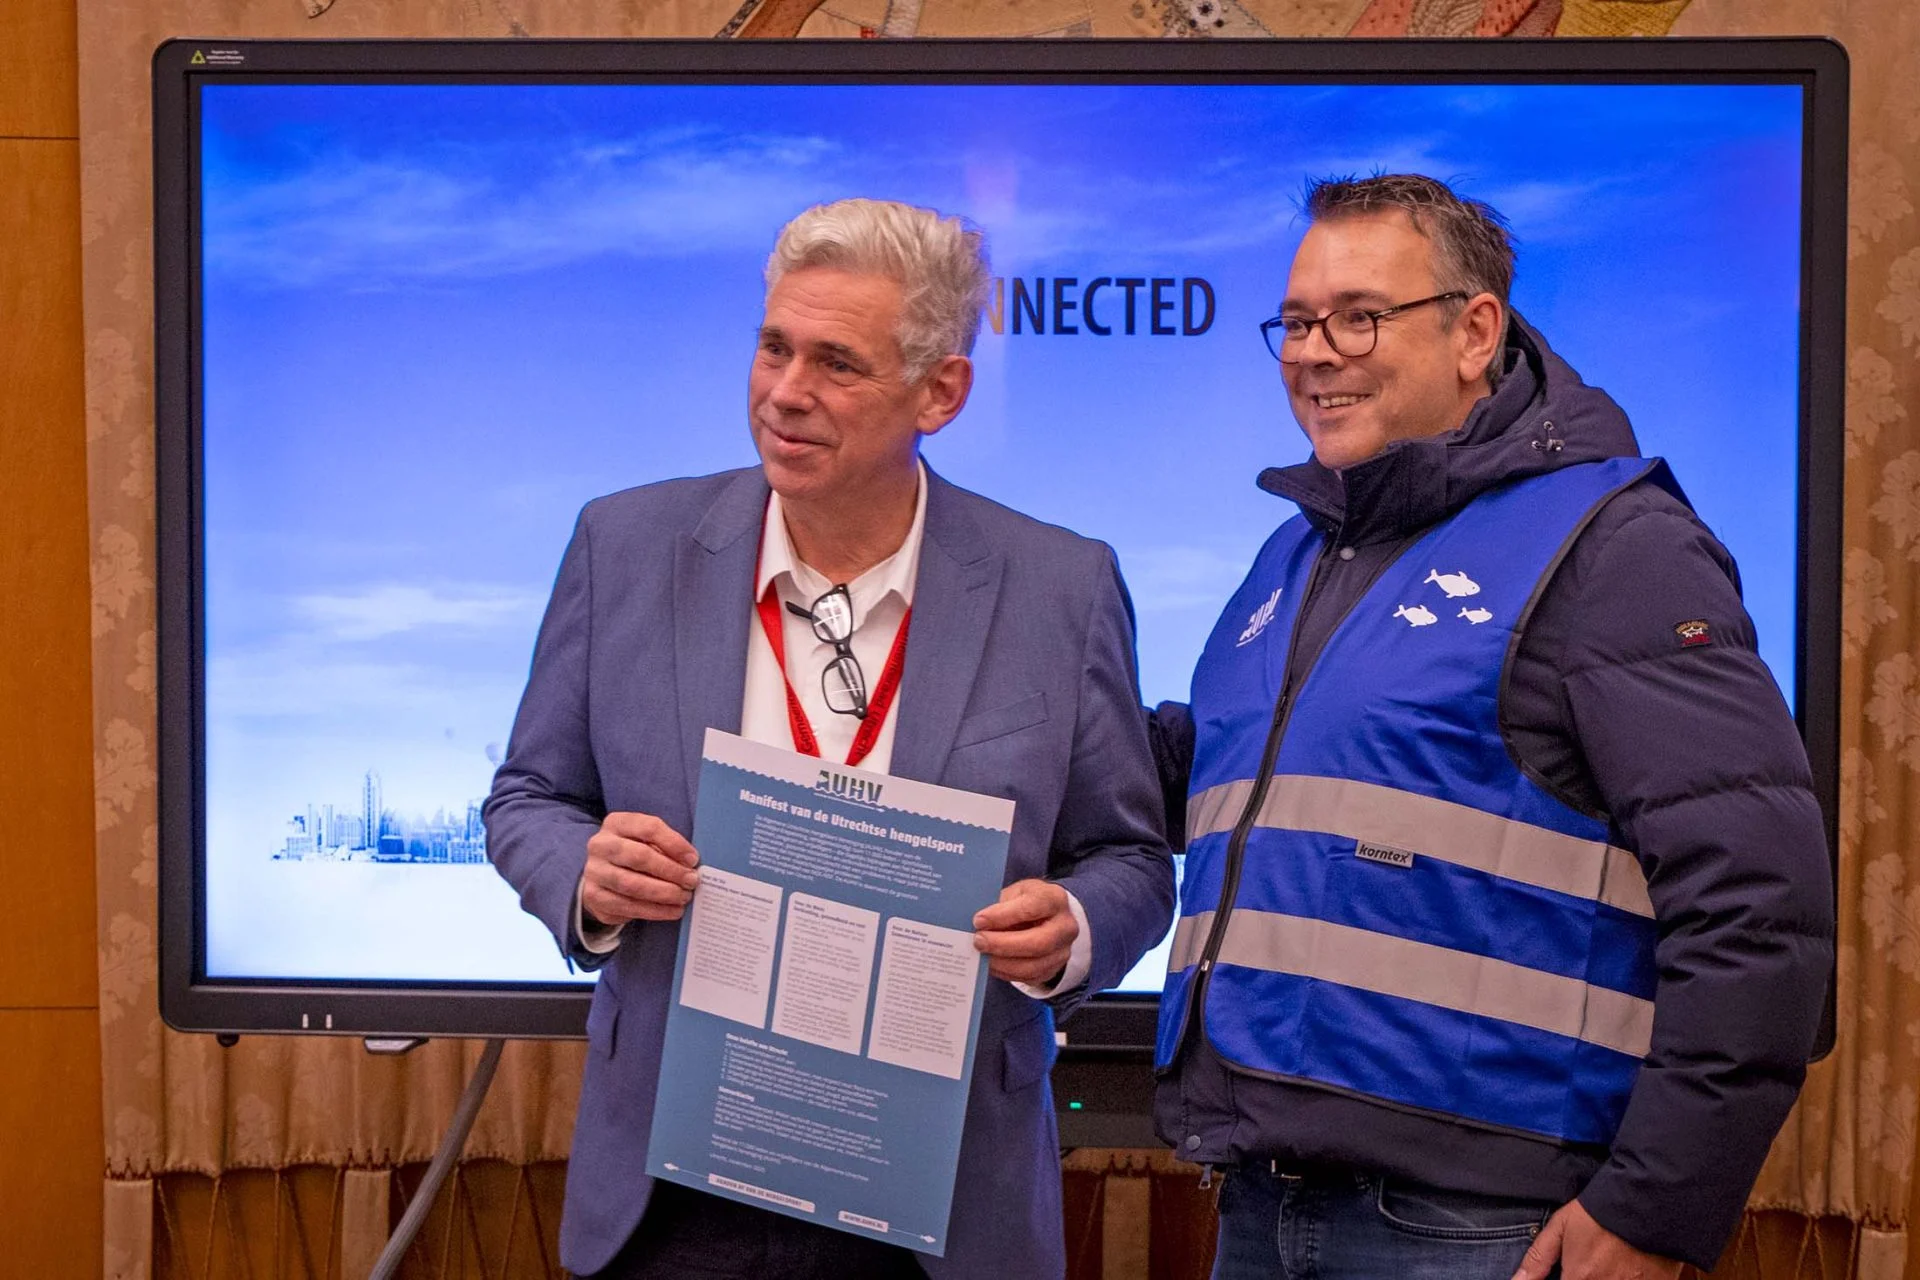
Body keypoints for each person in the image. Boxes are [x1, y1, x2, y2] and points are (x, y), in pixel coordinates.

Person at [1148, 174, 1833, 1280]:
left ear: (1475, 331)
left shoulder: (1616, 547)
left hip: (1481, 1231)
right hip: (1263, 1208)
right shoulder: (1298, 551)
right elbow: (1233, 783)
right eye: (1296, 322)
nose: (1315, 353)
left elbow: (1762, 907)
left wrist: (1654, 1207)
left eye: (1359, 317)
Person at [485, 197, 1174, 1280]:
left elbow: (1130, 856)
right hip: (673, 1191)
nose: (785, 393)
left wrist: (1076, 929)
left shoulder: (1061, 586)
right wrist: (585, 873)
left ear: (940, 391)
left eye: (837, 363)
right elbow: (528, 795)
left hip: (938, 1201)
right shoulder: (624, 545)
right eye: (774, 347)